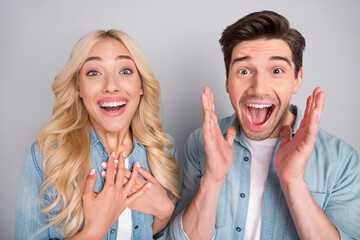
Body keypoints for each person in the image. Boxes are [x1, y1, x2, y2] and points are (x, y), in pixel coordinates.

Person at [170, 10, 360, 239]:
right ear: (227, 81)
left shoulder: (341, 160)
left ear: (297, 79)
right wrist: (213, 179)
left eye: (277, 71)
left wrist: (294, 183)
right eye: (244, 71)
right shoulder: (200, 142)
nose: (258, 88)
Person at [15, 29, 179, 240]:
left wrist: (164, 214)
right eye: (94, 72)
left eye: (125, 71)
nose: (111, 86)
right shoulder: (43, 159)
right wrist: (94, 230)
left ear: (141, 85)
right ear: (79, 88)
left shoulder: (161, 152)